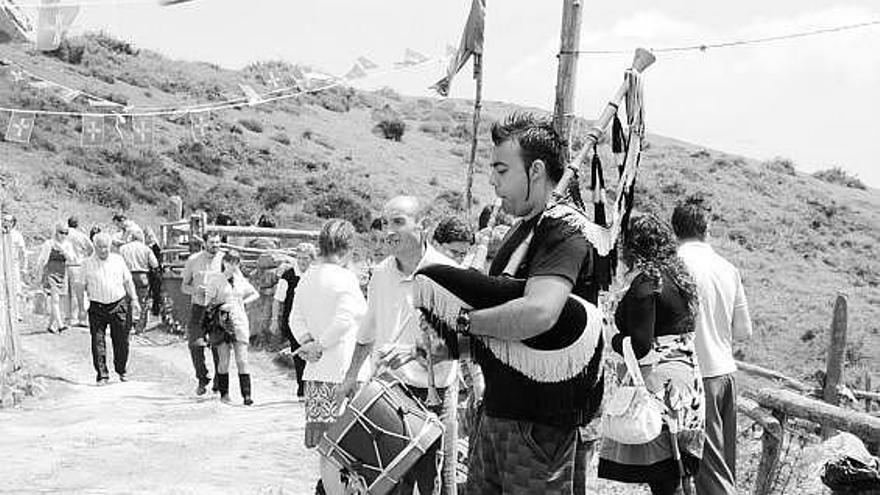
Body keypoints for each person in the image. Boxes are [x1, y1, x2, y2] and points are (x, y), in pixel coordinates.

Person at [458, 113, 605, 494]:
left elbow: (540, 312)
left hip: (539, 426)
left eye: (502, 170)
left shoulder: (565, 229)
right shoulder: (525, 229)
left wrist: (462, 322)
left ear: (536, 170)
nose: (493, 181)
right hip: (499, 413)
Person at [337, 195, 458, 495]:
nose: (389, 230)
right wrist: (351, 377)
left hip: (435, 398)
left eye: (398, 222)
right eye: (386, 222)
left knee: (438, 485)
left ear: (423, 226)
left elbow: (459, 342)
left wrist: (416, 354)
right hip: (389, 394)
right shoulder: (379, 274)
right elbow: (367, 331)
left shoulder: (449, 274)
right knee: (388, 483)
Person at [598, 214, 705, 495]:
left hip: (661, 388)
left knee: (665, 478)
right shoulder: (678, 277)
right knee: (682, 472)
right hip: (688, 384)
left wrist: (613, 338)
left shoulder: (648, 281)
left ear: (632, 245)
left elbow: (642, 344)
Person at [673, 199, 752, 495]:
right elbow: (744, 331)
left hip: (692, 378)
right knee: (721, 470)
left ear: (675, 228)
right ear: (707, 228)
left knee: (708, 478)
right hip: (725, 374)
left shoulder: (672, 264)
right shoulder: (728, 268)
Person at [289, 219, 368, 494]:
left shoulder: (307, 276)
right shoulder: (346, 278)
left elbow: (294, 319)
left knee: (326, 448)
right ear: (348, 249)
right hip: (345, 372)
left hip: (316, 372)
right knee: (349, 446)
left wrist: (310, 344)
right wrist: (321, 344)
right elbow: (348, 318)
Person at [81, 233, 141, 385]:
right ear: (95, 247)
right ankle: (102, 375)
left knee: (121, 339)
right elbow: (80, 285)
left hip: (118, 303)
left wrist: (134, 299)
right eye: (100, 247)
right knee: (98, 340)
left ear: (110, 246)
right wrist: (81, 305)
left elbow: (128, 281)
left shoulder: (118, 260)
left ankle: (121, 369)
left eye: (105, 247)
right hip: (97, 305)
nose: (103, 250)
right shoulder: (87, 263)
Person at [204, 250, 259, 405]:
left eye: (235, 262)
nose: (232, 265)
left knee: (242, 360)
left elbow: (254, 293)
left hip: (239, 322)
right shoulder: (216, 280)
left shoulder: (241, 280)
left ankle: (247, 395)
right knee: (224, 360)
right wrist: (221, 306)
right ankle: (225, 394)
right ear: (224, 262)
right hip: (221, 323)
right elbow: (208, 301)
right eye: (229, 262)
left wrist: (242, 304)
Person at [271, 241, 318, 399]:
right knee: (299, 354)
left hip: (314, 321)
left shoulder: (316, 275)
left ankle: (312, 386)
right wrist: (274, 320)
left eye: (306, 258)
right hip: (294, 322)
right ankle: (302, 388)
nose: (302, 261)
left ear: (312, 259)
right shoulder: (289, 276)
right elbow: (278, 299)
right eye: (300, 258)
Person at [181, 233, 224, 395]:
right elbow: (184, 286)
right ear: (204, 243)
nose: (215, 245)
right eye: (212, 242)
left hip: (217, 308)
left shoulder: (224, 260)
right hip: (198, 308)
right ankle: (202, 378)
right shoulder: (193, 260)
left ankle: (219, 382)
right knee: (195, 344)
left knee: (218, 347)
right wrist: (196, 290)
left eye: (218, 242)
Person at [37, 223, 76, 334]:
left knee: (59, 300)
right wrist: (40, 274)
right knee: (55, 299)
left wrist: (64, 251)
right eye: (61, 232)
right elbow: (42, 259)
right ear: (56, 232)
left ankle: (50, 325)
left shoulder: (67, 245)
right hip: (50, 272)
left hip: (62, 273)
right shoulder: (49, 243)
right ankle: (60, 324)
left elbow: (72, 258)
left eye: (66, 233)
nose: (63, 235)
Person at [119, 230, 160, 334]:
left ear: (131, 238)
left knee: (127, 301)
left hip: (127, 275)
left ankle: (126, 326)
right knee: (143, 302)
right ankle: (140, 328)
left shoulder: (123, 248)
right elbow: (155, 264)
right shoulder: (146, 249)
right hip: (142, 276)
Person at [65, 216, 94, 327]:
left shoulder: (64, 235)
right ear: (77, 224)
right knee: (79, 293)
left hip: (65, 264)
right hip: (78, 264)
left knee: (66, 293)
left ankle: (68, 317)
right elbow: (91, 248)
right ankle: (79, 317)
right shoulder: (81, 235)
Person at [2, 213, 28, 320]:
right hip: (2, 263)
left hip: (13, 264)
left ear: (12, 223)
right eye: (3, 220)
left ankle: (16, 313)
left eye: (7, 220)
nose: (4, 222)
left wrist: (24, 266)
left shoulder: (17, 235)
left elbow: (23, 252)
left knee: (16, 288)